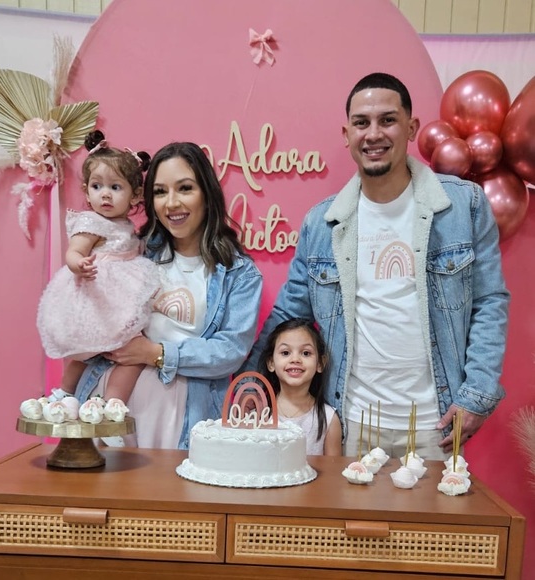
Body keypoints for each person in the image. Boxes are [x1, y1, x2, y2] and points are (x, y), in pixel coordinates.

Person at [243, 72, 509, 460]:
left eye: (387, 120)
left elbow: (489, 302)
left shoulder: (462, 207)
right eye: (361, 123)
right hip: (351, 422)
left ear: (411, 128)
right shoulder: (323, 223)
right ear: (346, 134)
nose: (373, 134)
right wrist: (250, 381)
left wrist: (477, 394)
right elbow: (288, 313)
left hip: (435, 423)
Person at [75, 141, 263, 449]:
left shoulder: (238, 273)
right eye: (160, 192)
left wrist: (155, 353)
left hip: (183, 416)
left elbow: (231, 350)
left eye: (185, 188)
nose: (171, 203)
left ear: (207, 194)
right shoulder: (133, 251)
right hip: (109, 404)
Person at [37, 130, 158, 410]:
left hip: (120, 300)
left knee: (130, 353)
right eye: (96, 186)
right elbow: (74, 250)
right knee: (85, 353)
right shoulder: (91, 222)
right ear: (86, 191)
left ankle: (112, 403)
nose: (105, 194)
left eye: (115, 187)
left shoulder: (128, 227)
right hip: (97, 299)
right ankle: (65, 391)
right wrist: (78, 264)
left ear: (135, 195)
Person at [259, 319, 342, 455]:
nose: (295, 359)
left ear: (320, 363)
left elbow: (333, 466)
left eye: (306, 353)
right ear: (271, 363)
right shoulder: (258, 414)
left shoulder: (329, 419)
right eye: (285, 353)